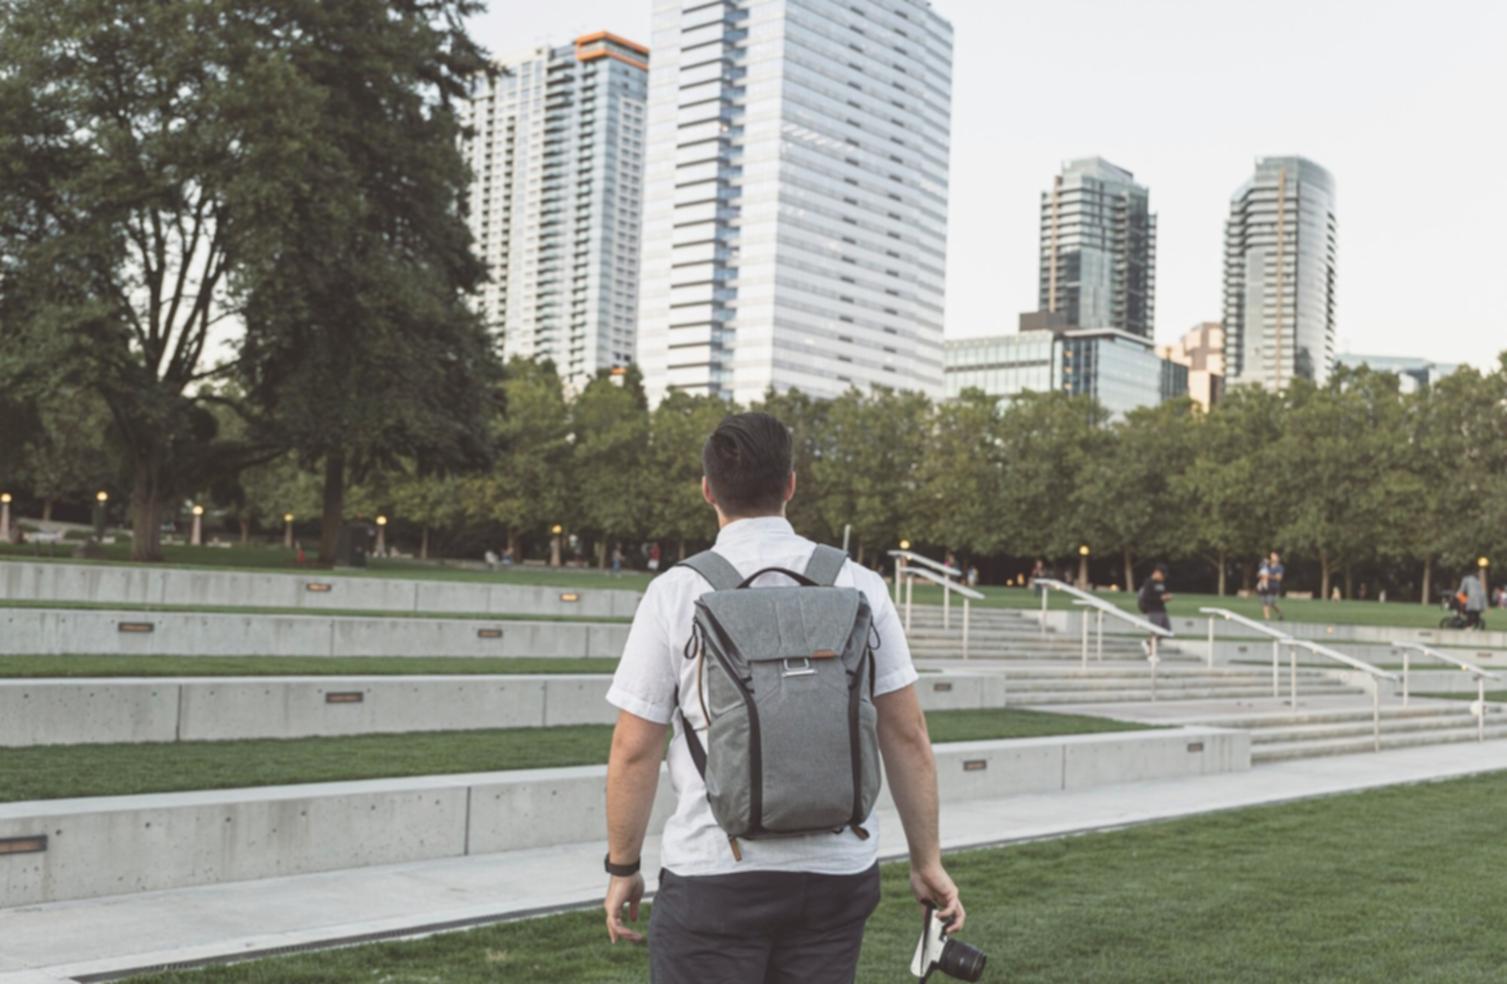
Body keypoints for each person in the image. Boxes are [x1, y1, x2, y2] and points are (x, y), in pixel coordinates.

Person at [601, 412, 964, 983]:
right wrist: (927, 861)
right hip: (836, 873)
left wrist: (622, 865)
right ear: (791, 483)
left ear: (707, 490)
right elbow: (906, 733)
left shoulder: (676, 592)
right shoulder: (858, 584)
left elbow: (633, 748)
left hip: (714, 869)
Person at [1136, 563, 1174, 656]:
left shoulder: (1161, 583)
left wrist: (1167, 597)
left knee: (1167, 631)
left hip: (1162, 609)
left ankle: (1148, 643)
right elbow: (1146, 598)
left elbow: (1163, 593)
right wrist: (1160, 598)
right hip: (1153, 610)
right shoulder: (1148, 583)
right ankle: (1151, 653)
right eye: (1163, 575)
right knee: (1155, 631)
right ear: (1157, 573)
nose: (1164, 578)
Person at [1257, 551, 1285, 621]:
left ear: (1277, 558)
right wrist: (1260, 575)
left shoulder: (1279, 567)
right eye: (1271, 556)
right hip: (1264, 586)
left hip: (1273, 587)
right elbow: (1259, 574)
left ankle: (1267, 621)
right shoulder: (1266, 566)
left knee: (1267, 604)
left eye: (1274, 556)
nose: (1272, 558)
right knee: (1269, 603)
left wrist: (1267, 576)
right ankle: (1280, 612)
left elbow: (1279, 578)